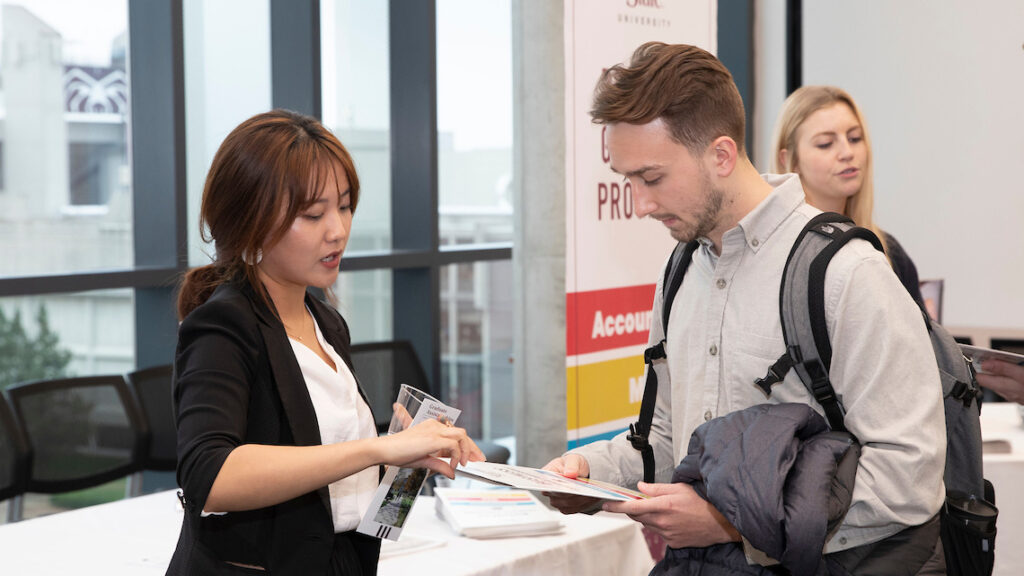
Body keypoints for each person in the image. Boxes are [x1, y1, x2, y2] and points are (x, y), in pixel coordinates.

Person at [543, 43, 946, 573]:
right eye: (628, 181)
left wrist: (734, 524)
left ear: (722, 155)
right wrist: (587, 473)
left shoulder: (847, 275)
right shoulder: (681, 271)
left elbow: (909, 475)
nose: (639, 205)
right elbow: (666, 439)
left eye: (653, 178)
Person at [167, 109, 483, 576]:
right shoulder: (223, 325)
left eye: (345, 205)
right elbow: (209, 477)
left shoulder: (326, 324)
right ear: (251, 221)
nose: (337, 230)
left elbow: (352, 503)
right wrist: (377, 450)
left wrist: (407, 461)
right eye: (313, 214)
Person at [772, 85, 924, 306]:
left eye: (854, 138)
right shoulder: (773, 254)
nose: (847, 153)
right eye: (826, 144)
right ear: (790, 161)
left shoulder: (890, 254)